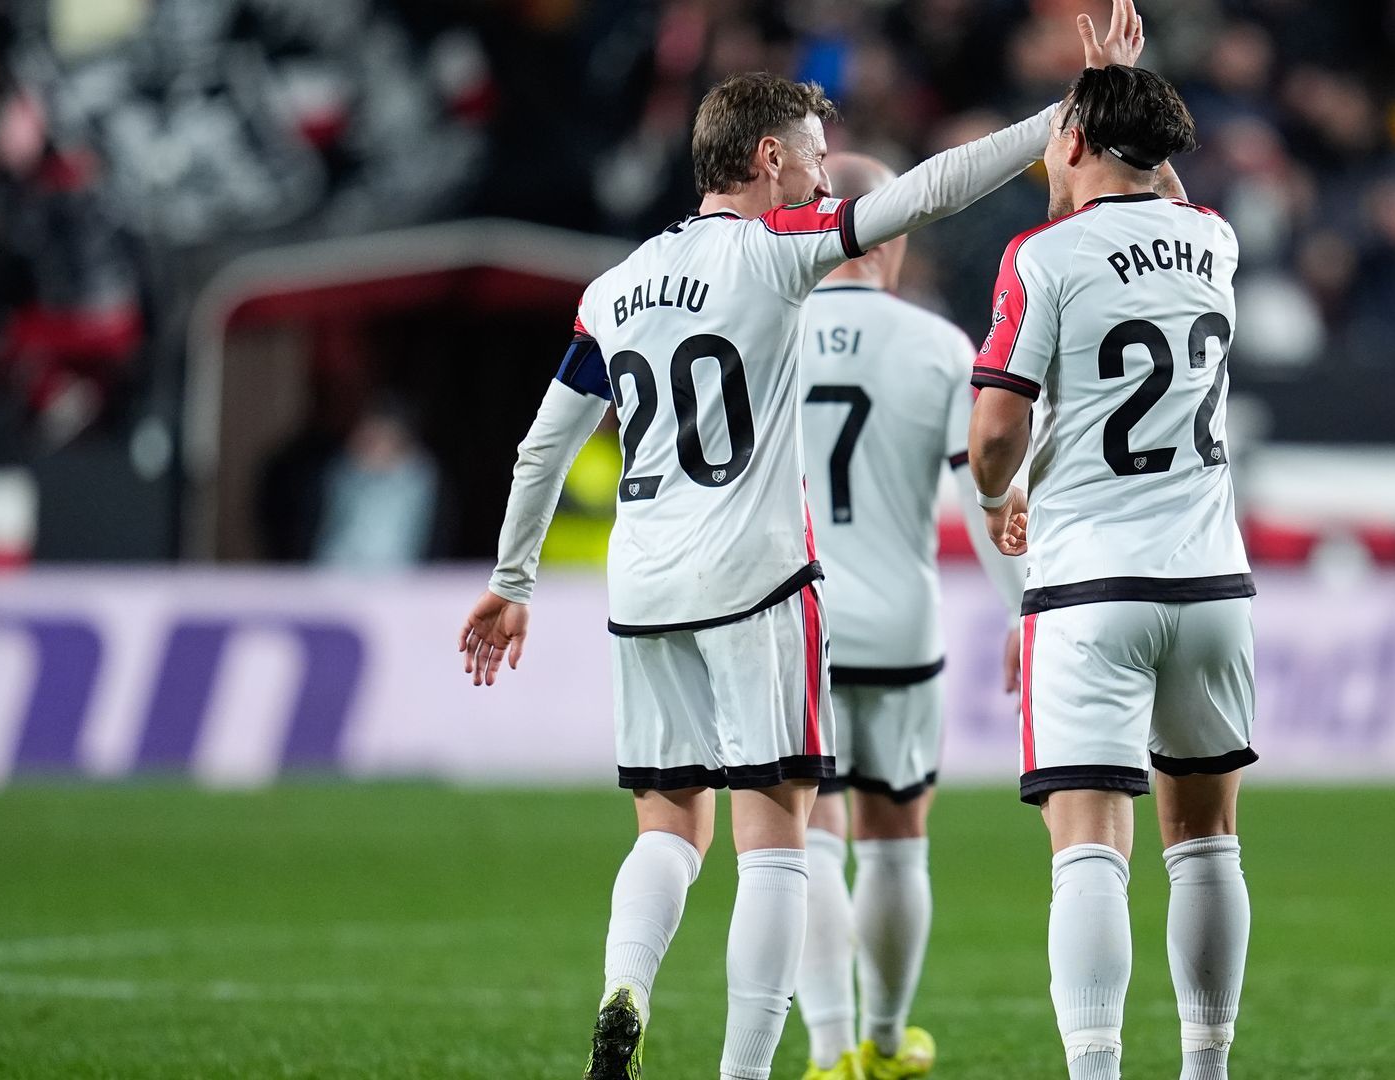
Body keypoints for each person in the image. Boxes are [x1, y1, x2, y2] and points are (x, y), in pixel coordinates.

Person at [457, 6, 1146, 1077]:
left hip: (639, 583)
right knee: (778, 841)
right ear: (769, 160)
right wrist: (1067, 113)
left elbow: (541, 451)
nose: (829, 185)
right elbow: (929, 189)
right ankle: (748, 1071)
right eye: (819, 163)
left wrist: (513, 582)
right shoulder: (778, 253)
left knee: (664, 828)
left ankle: (623, 993)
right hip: (757, 580)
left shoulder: (614, 288)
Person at [966, 61, 1256, 1080]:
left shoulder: (1041, 257)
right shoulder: (1214, 240)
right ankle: (1207, 1069)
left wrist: (1003, 496)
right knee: (1206, 843)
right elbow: (1157, 206)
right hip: (1213, 584)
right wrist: (1126, 79)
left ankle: (1096, 1074)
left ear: (1077, 142)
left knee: (1089, 845)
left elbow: (996, 432)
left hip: (1091, 585)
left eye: (1058, 131)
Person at [792, 152, 1026, 1080]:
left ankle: (822, 1053)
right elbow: (987, 493)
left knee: (803, 835)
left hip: (791, 619)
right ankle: (887, 1044)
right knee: (896, 838)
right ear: (893, 232)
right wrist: (1023, 609)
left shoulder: (771, 329)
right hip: (898, 625)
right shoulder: (937, 346)